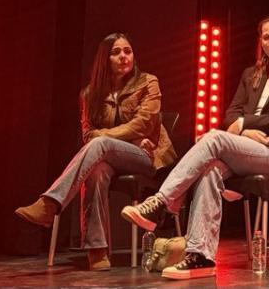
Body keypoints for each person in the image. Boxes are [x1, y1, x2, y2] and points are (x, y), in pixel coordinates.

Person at [122, 13, 269, 279]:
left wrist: (245, 123)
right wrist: (245, 131)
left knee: (213, 137)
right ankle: (199, 256)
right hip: (246, 145)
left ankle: (161, 202)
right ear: (261, 41)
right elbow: (229, 116)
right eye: (267, 37)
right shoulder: (252, 75)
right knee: (210, 168)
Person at [15, 33, 177, 271]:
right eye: (116, 52)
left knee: (99, 146)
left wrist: (106, 136)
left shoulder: (148, 82)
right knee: (96, 171)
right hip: (109, 157)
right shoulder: (89, 94)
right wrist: (109, 138)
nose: (124, 56)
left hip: (146, 155)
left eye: (128, 51)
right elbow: (88, 135)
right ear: (104, 59)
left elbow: (143, 123)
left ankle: (50, 204)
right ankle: (97, 250)